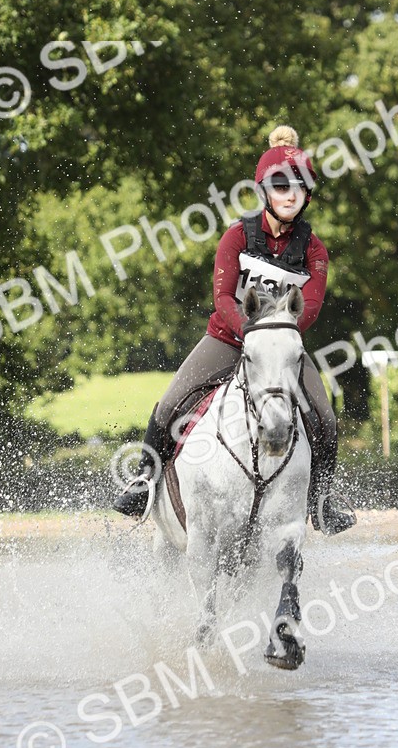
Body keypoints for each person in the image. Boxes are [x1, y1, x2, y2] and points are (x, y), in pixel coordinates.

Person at [113, 125, 356, 535]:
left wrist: (274, 336)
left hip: (280, 347)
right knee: (170, 402)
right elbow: (223, 297)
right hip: (227, 339)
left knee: (326, 417)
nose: (290, 196)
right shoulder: (237, 237)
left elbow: (310, 308)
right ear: (265, 192)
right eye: (281, 187)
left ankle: (323, 500)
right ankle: (143, 482)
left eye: (298, 188)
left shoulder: (314, 249)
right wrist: (248, 331)